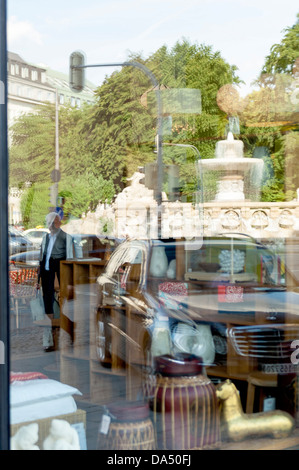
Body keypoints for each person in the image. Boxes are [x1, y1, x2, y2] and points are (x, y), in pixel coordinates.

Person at [37, 211, 74, 351]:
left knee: (65, 302)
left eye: (53, 222)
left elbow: (70, 258)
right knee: (47, 303)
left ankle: (66, 337)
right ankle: (49, 338)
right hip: (47, 274)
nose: (51, 226)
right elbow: (42, 258)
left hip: (60, 273)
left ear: (57, 223)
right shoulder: (46, 238)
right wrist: (38, 278)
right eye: (49, 223)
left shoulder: (66, 238)